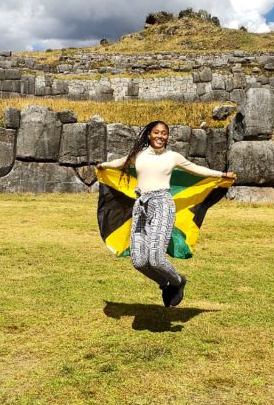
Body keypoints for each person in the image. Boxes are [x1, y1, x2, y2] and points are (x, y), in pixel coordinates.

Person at [97, 120, 236, 306]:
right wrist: (103, 165)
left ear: (167, 136)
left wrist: (222, 175)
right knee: (139, 261)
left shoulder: (173, 157)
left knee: (155, 259)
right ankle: (165, 284)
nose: (160, 136)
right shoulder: (138, 155)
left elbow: (197, 169)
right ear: (149, 134)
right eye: (156, 132)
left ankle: (178, 281)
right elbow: (119, 163)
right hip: (141, 208)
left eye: (164, 133)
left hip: (162, 205)